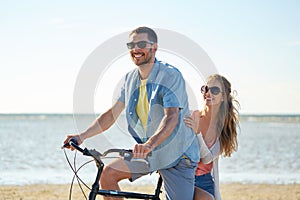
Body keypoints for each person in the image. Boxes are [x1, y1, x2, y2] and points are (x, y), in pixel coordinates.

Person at [64, 26, 200, 200]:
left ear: (155, 47)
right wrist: (82, 136)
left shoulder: (170, 75)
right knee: (108, 174)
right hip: (149, 152)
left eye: (142, 44)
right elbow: (112, 114)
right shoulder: (130, 79)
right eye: (131, 45)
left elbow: (171, 117)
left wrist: (149, 145)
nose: (135, 49)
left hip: (177, 155)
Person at [183, 74, 240, 200]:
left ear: (223, 97)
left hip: (205, 181)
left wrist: (197, 133)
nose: (208, 93)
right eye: (206, 89)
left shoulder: (224, 129)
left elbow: (207, 159)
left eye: (214, 90)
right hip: (183, 177)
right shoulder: (190, 117)